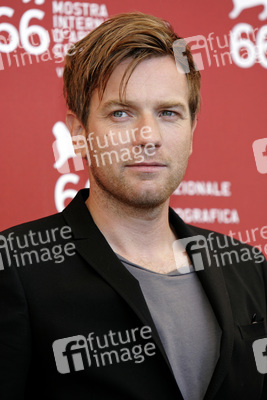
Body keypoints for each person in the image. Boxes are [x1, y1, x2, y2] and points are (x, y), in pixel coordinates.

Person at [0, 11, 266, 400]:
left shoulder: (247, 267)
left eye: (168, 113)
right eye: (121, 113)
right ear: (79, 135)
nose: (148, 136)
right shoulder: (16, 267)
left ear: (192, 132)